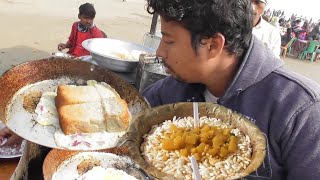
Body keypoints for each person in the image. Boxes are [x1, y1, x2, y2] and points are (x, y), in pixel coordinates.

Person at [142, 0, 320, 179]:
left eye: (169, 41)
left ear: (213, 45)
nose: (160, 52)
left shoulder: (301, 111)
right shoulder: (172, 89)